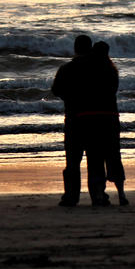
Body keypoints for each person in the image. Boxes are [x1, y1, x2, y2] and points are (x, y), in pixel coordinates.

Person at [81, 40, 128, 206]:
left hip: (92, 118)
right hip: (111, 117)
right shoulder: (112, 70)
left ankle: (100, 194)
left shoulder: (87, 71)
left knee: (95, 157)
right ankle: (121, 193)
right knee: (114, 155)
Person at [51, 34, 94, 207]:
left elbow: (56, 90)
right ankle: (98, 195)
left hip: (73, 117)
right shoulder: (97, 68)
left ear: (75, 49)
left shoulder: (66, 68)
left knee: (72, 161)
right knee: (95, 160)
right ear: (90, 49)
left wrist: (68, 98)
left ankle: (71, 196)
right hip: (93, 118)